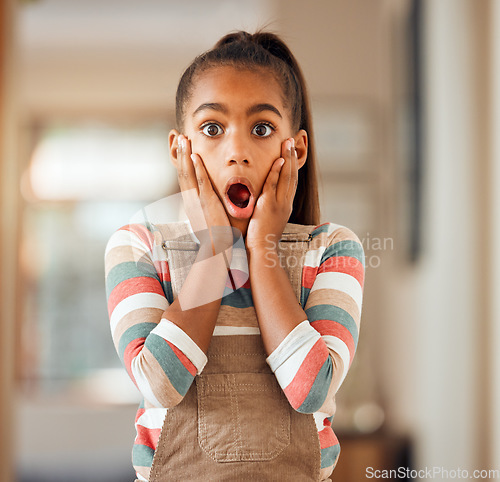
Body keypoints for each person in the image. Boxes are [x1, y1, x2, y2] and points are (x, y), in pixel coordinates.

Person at [105, 30, 365, 481]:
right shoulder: (137, 244)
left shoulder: (333, 248)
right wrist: (216, 248)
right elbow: (160, 384)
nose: (237, 153)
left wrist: (262, 247)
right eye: (212, 129)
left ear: (296, 149)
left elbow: (310, 389)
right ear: (179, 149)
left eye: (261, 129)